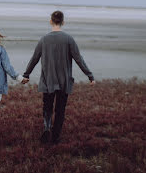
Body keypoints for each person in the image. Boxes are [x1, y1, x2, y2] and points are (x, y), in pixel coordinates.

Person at [22, 11, 95, 144]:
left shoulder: (44, 40)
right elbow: (79, 59)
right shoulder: (69, 39)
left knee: (47, 107)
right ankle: (56, 137)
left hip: (48, 80)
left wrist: (26, 75)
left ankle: (46, 127)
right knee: (60, 110)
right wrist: (89, 76)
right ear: (63, 22)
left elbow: (34, 59)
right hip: (64, 81)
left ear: (51, 21)